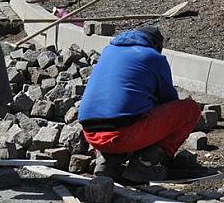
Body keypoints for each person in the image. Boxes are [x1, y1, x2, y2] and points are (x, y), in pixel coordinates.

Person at [78, 26, 202, 183]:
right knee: (189, 110)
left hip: (91, 134)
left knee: (120, 111)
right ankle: (143, 166)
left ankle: (107, 163)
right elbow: (168, 100)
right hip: (125, 135)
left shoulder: (108, 52)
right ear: (156, 45)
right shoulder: (154, 57)